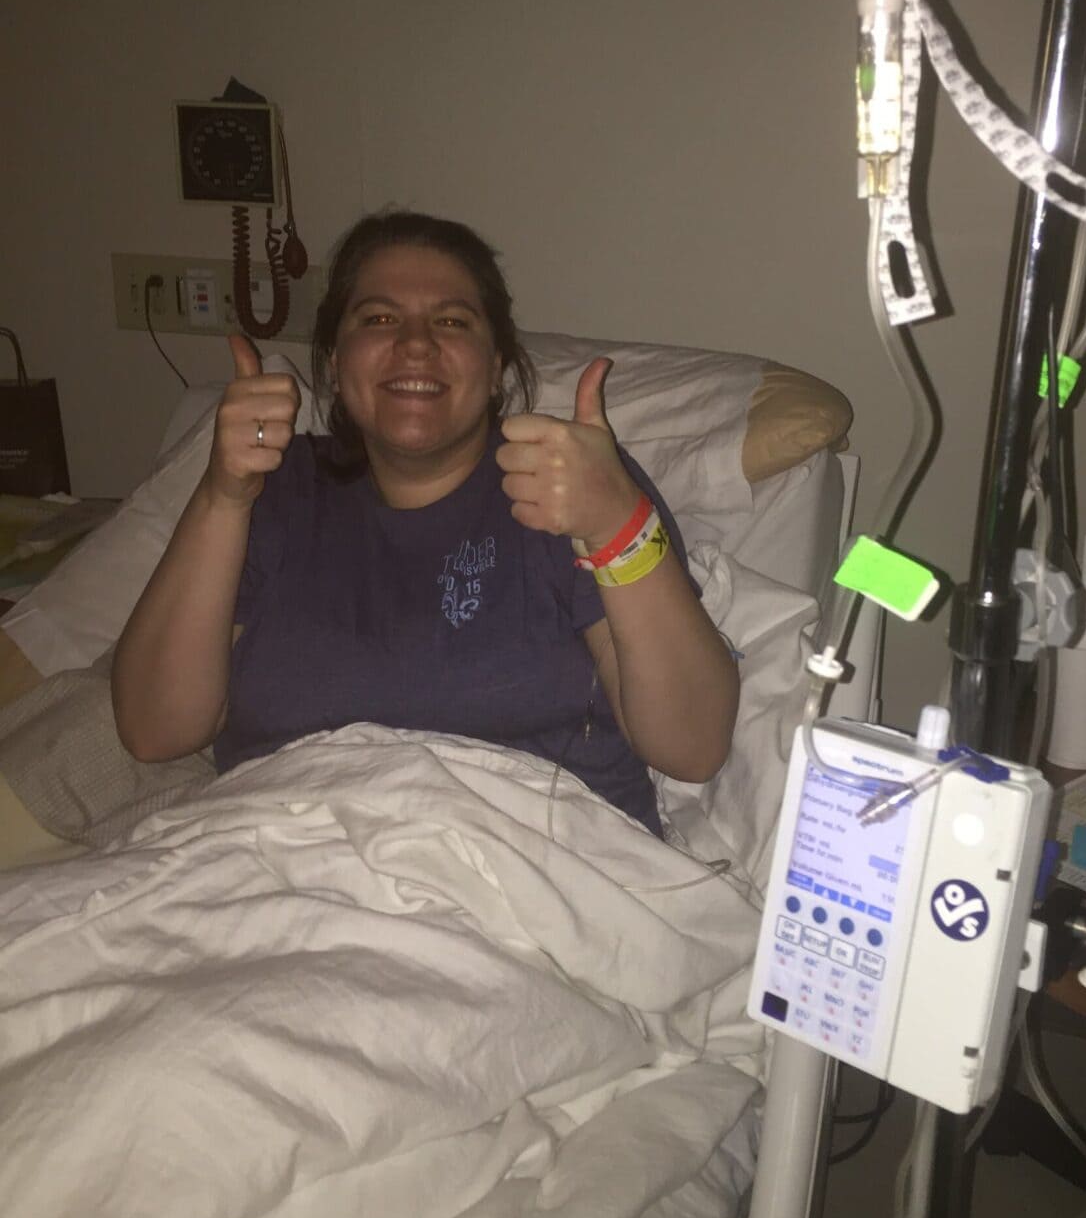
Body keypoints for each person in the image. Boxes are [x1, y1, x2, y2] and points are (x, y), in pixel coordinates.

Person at [111, 210, 739, 837]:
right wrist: (223, 497)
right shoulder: (273, 492)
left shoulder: (572, 487)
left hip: (524, 876)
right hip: (280, 864)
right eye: (379, 318)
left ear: (495, 367)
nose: (416, 343)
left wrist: (617, 522)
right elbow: (154, 730)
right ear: (333, 362)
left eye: (451, 321)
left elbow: (692, 746)